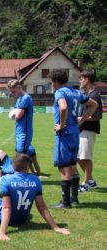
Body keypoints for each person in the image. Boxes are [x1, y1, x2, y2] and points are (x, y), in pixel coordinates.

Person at [0, 153, 70, 240]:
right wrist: (56, 227)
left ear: (12, 165)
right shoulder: (35, 180)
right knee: (5, 201)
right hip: (22, 219)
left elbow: (6, 207)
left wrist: (2, 232)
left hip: (1, 216)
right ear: (27, 168)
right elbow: (42, 207)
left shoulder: (5, 179)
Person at [48, 69, 98, 208]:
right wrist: (82, 120)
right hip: (76, 133)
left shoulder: (60, 92)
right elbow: (94, 104)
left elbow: (63, 107)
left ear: (55, 82)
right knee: (72, 165)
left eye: (51, 82)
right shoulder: (76, 92)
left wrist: (61, 125)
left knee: (63, 166)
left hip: (65, 134)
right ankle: (74, 198)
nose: (51, 85)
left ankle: (66, 202)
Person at [7, 80, 43, 177]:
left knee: (21, 155)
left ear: (19, 87)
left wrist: (12, 114)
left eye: (14, 91)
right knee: (20, 153)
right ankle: (30, 174)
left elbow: (18, 116)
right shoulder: (19, 99)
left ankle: (24, 177)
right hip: (19, 131)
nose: (13, 94)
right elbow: (16, 113)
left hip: (24, 132)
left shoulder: (26, 98)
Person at [77, 70, 103, 192]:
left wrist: (82, 119)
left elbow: (97, 116)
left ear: (86, 79)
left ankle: (85, 184)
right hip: (82, 130)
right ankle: (91, 181)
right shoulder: (87, 94)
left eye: (81, 78)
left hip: (88, 130)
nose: (79, 81)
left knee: (86, 158)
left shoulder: (95, 95)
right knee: (78, 158)